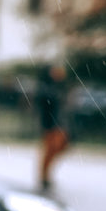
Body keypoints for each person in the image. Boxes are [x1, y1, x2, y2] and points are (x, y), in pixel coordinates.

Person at [37, 63, 70, 191]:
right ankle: (44, 176)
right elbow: (46, 104)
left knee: (58, 148)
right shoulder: (47, 88)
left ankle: (46, 175)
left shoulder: (60, 87)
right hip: (51, 124)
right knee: (50, 150)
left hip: (59, 123)